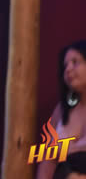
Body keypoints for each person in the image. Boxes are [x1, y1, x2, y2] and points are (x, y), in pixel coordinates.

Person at [38, 40, 86, 179]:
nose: (68, 69)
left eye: (75, 62)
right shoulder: (61, 110)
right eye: (65, 65)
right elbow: (47, 160)